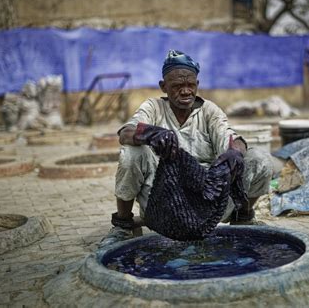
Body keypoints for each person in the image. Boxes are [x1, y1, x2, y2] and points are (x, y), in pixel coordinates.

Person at [112, 49, 273, 230]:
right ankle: (123, 224)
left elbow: (232, 138)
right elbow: (126, 133)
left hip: (208, 201)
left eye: (190, 85)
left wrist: (234, 152)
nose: (185, 91)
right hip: (163, 202)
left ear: (197, 84)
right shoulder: (153, 107)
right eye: (177, 86)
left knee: (260, 159)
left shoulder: (209, 111)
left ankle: (243, 217)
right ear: (163, 86)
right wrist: (149, 134)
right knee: (131, 153)